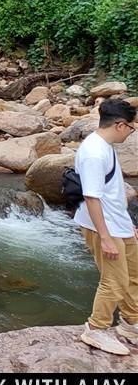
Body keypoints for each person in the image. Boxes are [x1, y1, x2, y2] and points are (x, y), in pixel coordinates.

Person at [74, 98, 138, 356]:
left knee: (134, 275)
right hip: (104, 227)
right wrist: (106, 238)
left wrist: (128, 225)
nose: (132, 131)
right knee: (115, 281)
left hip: (118, 224)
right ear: (120, 125)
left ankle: (131, 323)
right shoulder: (94, 153)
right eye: (132, 127)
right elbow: (92, 197)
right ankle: (95, 328)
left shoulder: (105, 145)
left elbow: (112, 192)